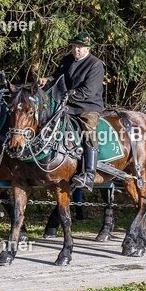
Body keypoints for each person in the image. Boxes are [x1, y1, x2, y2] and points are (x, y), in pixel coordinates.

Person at [50, 30, 105, 190]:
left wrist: (68, 94)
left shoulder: (95, 64)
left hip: (87, 105)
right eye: (74, 46)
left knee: (88, 128)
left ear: (88, 48)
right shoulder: (66, 60)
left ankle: (89, 174)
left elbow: (88, 91)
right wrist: (46, 80)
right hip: (65, 104)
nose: (76, 49)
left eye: (80, 47)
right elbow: (57, 79)